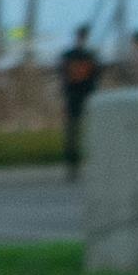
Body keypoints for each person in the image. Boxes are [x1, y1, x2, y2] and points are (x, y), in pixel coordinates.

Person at [54, 25, 106, 172]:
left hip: (86, 96)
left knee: (88, 129)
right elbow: (62, 75)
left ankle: (89, 159)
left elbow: (96, 75)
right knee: (72, 130)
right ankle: (72, 162)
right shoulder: (70, 56)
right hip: (74, 96)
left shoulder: (89, 56)